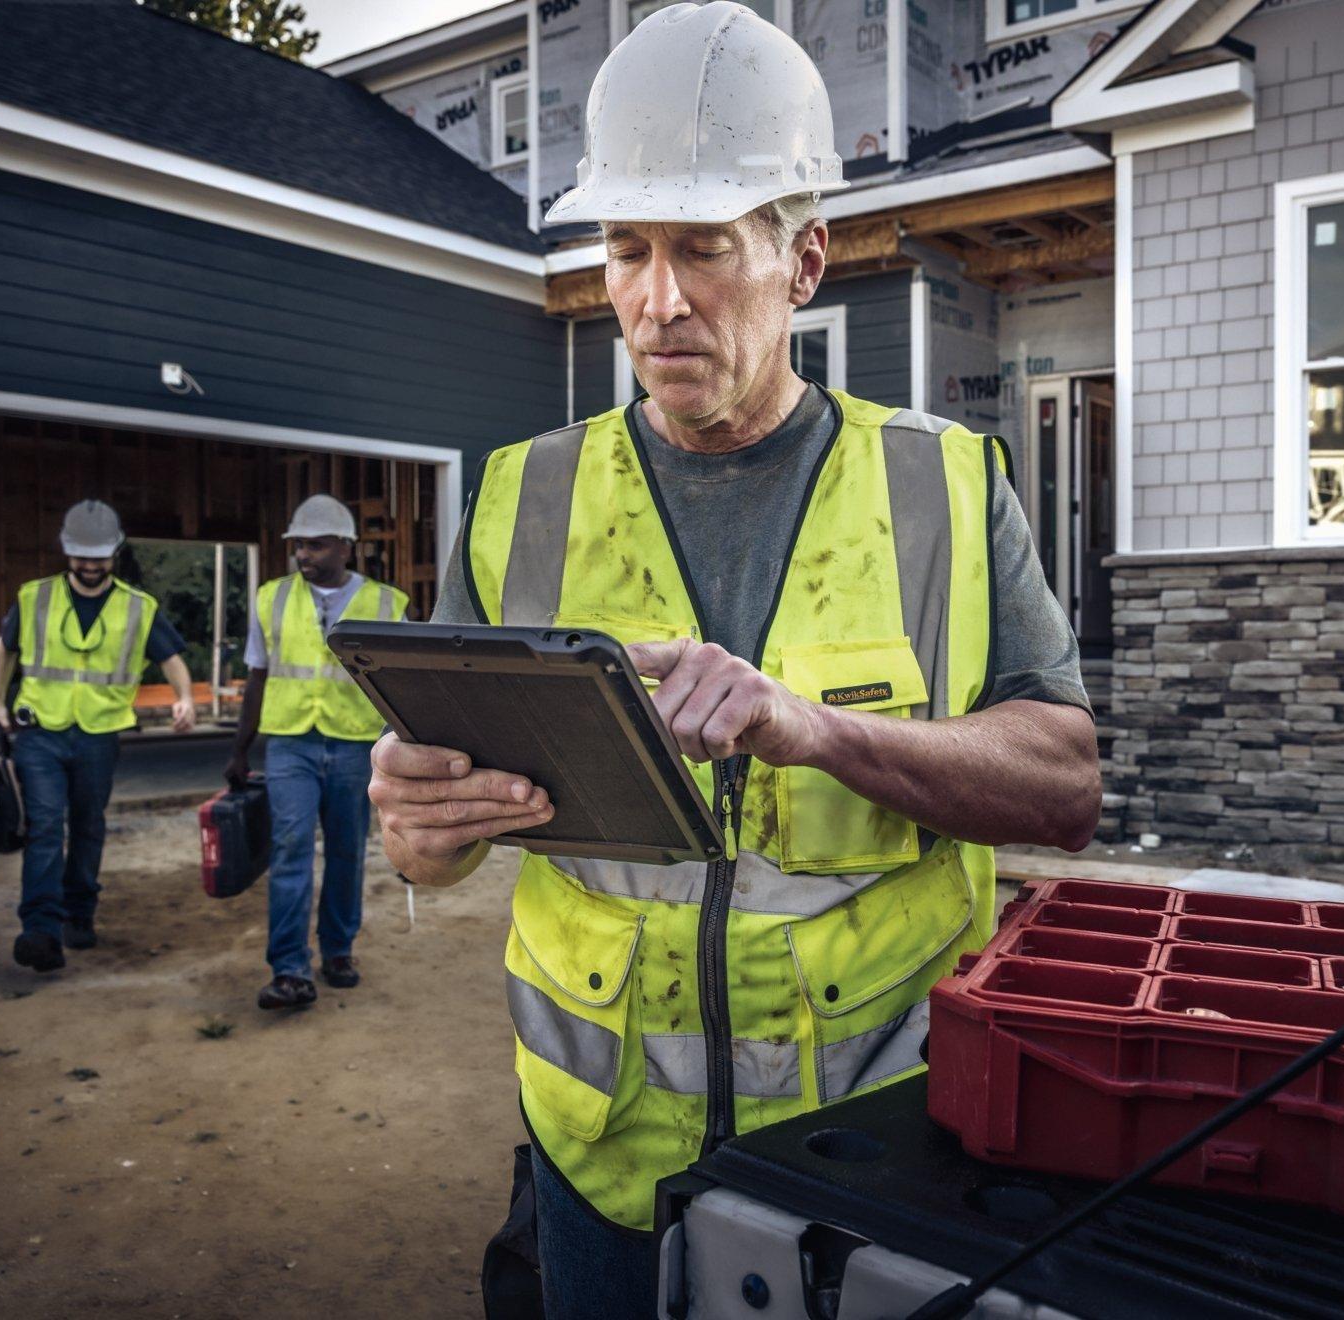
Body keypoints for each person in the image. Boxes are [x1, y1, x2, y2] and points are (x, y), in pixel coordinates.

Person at [368, 5, 1103, 1314]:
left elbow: (1061, 785)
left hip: (873, 1162)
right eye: (627, 250)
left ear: (804, 259)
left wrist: (819, 731)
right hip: (599, 1159)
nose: (657, 302)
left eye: (702, 250)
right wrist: (422, 828)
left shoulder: (942, 487)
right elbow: (446, 830)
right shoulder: (518, 501)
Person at [0, 499, 196, 972]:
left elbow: (172, 659)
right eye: (81, 556)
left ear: (114, 553)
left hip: (99, 734)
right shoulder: (34, 597)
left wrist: (185, 697)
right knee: (43, 826)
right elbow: (4, 652)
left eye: (99, 556)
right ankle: (39, 929)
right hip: (40, 731)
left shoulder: (138, 608)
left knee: (87, 826)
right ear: (66, 551)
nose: (90, 565)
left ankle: (79, 914)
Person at [227, 494, 409, 1011]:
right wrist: (240, 750)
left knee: (348, 852)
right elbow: (257, 676)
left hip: (354, 745)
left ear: (346, 547)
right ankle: (288, 970)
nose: (304, 554)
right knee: (290, 849)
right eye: (298, 545)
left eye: (316, 544)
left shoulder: (386, 604)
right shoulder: (271, 598)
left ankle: (338, 951)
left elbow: (399, 686)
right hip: (290, 745)